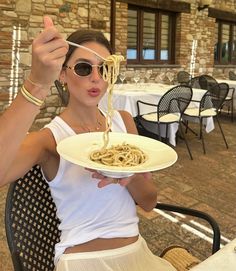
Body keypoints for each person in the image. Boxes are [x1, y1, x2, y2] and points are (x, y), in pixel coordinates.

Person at [0, 16, 176, 271]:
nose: (96, 77)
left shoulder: (123, 122)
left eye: (105, 68)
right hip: (83, 261)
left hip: (136, 252)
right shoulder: (50, 139)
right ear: (62, 74)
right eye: (83, 68)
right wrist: (37, 83)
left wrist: (129, 177)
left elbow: (149, 201)